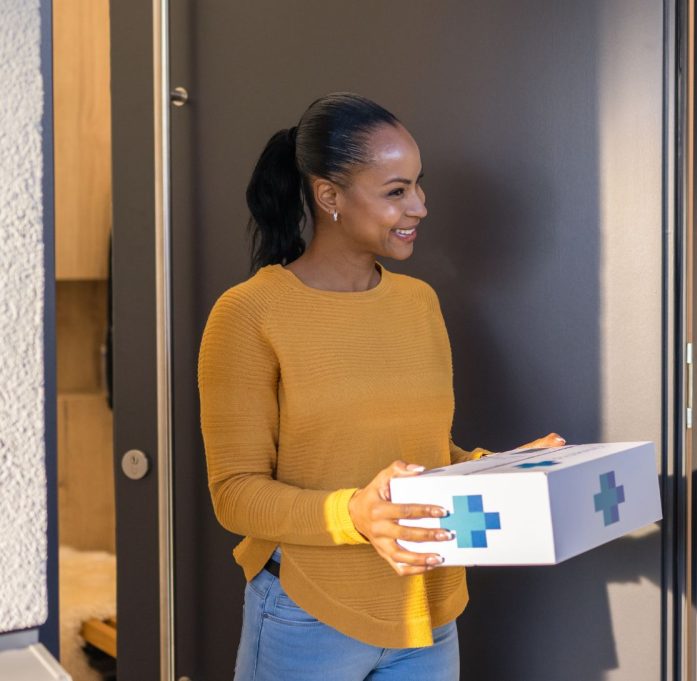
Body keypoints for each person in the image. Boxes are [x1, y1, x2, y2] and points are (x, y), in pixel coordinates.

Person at [198, 92, 564, 681]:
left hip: (427, 613)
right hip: (309, 614)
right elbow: (235, 493)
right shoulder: (250, 313)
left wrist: (506, 472)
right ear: (329, 196)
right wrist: (355, 514)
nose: (419, 206)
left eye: (419, 185)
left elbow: (425, 455)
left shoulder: (418, 303)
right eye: (396, 191)